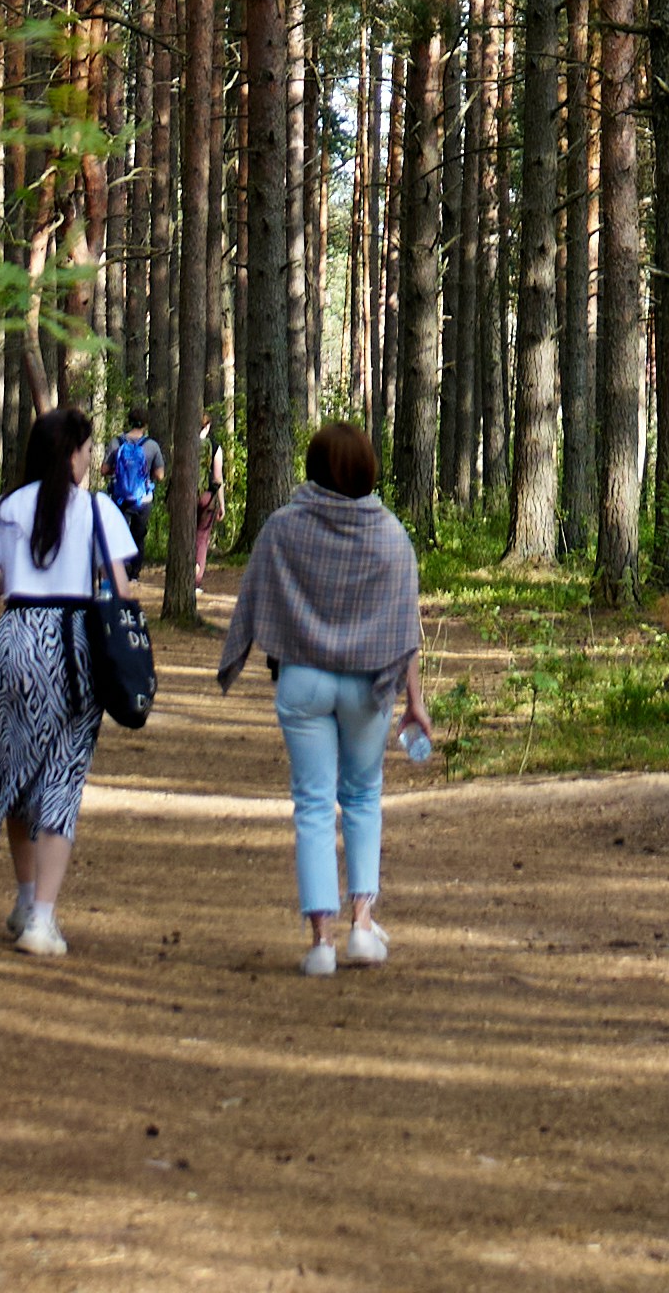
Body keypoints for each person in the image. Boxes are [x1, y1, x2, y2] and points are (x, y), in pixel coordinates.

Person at [216, 417, 431, 976]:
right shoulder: (390, 535)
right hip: (367, 685)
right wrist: (415, 700)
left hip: (303, 680)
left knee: (312, 806)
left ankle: (321, 943)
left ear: (313, 469)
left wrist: (240, 652)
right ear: (367, 471)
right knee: (361, 799)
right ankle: (362, 928)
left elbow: (254, 594)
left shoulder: (283, 528)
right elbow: (403, 626)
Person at [0, 402, 141, 959]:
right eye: (85, 450)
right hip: (74, 644)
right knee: (62, 774)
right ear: (73, 455)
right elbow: (122, 591)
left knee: (13, 763)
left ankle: (25, 898)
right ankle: (43, 921)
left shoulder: (4, 509)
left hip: (16, 639)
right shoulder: (99, 511)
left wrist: (19, 570)